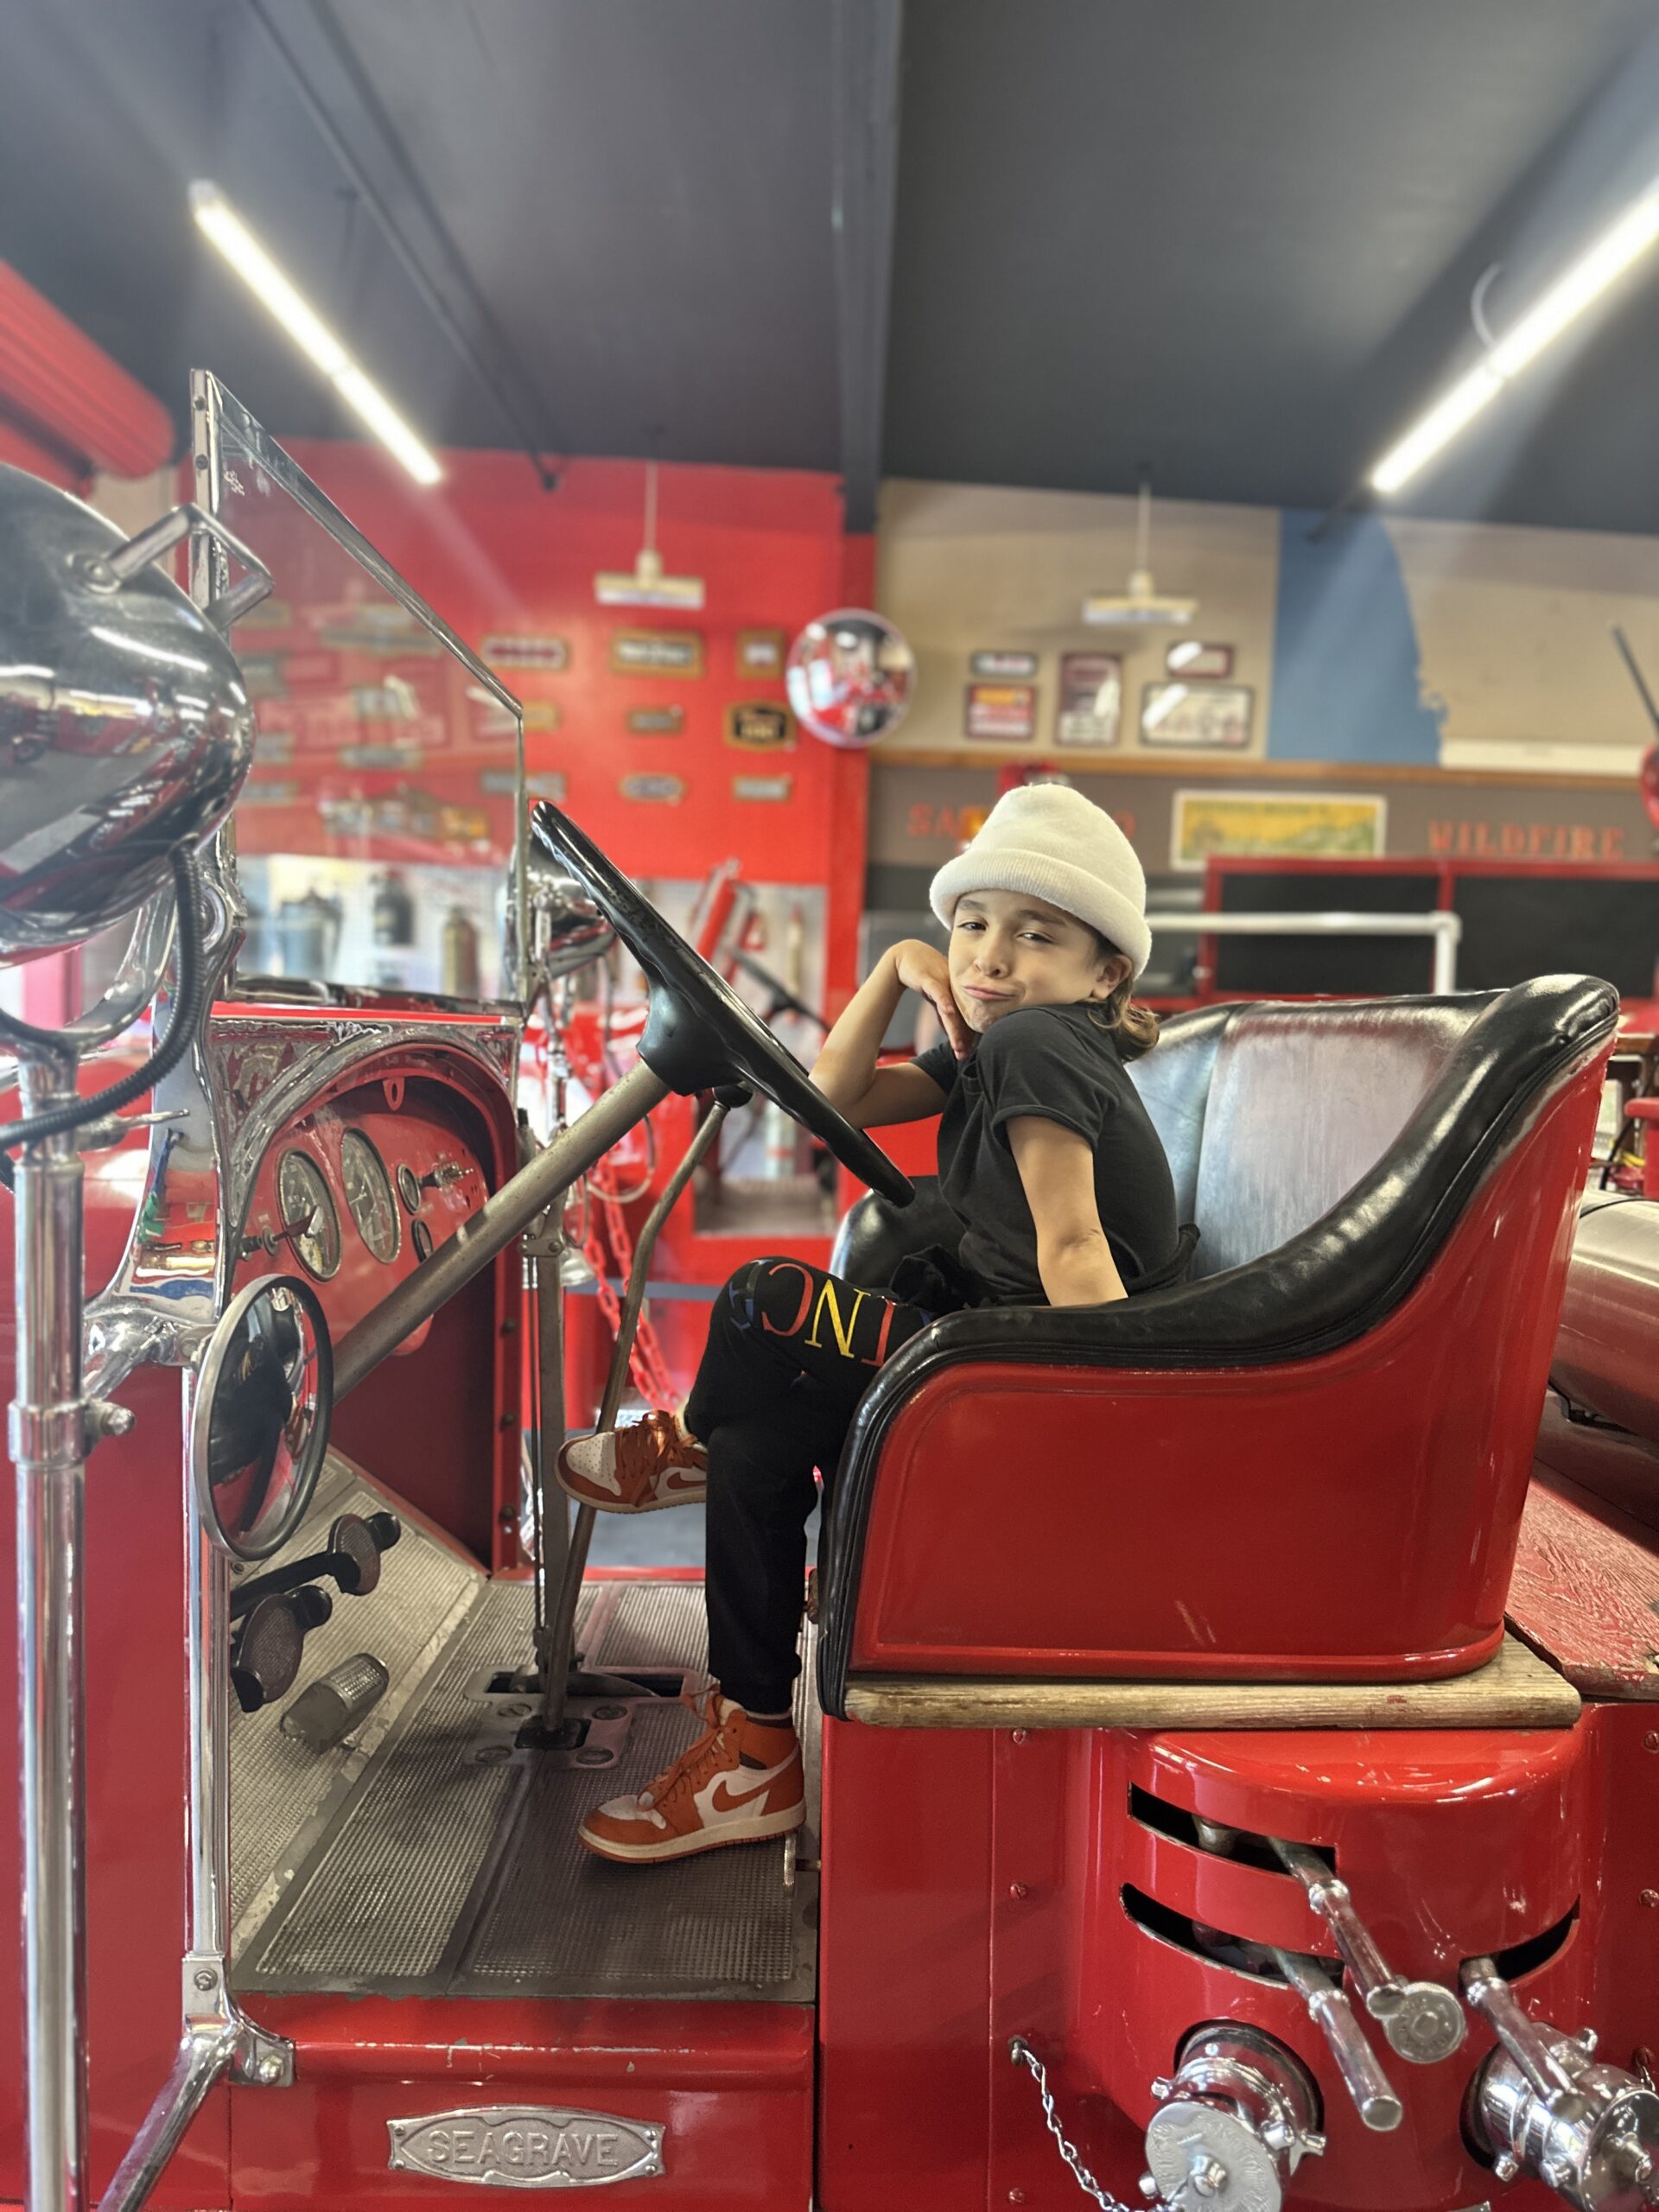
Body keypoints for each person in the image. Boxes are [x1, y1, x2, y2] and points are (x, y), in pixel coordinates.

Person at [558, 784, 1179, 1864]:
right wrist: (897, 968)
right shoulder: (1000, 1045)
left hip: (1012, 1362)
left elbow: (1076, 1247)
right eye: (972, 924)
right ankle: (756, 1748)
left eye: (1037, 934)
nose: (990, 955)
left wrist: (1106, 1433)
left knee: (760, 1298)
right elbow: (829, 1101)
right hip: (974, 1336)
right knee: (759, 1453)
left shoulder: (1038, 1044)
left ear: (1105, 971)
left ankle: (688, 1445)